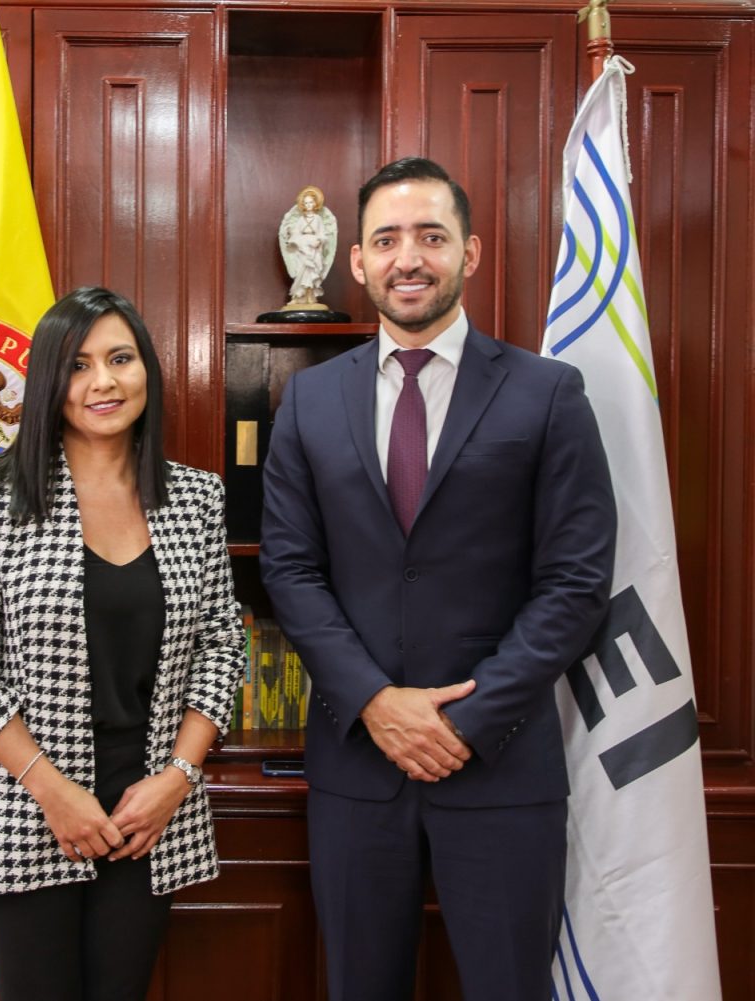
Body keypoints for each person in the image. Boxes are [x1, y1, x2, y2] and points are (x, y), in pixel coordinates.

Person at [259, 157, 617, 1001]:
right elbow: (291, 568)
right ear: (356, 261)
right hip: (356, 770)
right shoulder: (308, 402)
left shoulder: (548, 393)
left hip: (500, 765)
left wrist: (465, 719)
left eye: (431, 236)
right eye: (386, 239)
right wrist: (378, 703)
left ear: (472, 251)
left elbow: (575, 582)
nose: (408, 257)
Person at [0, 286, 246, 1001]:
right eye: (78, 364)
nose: (103, 381)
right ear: (48, 382)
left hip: (148, 812)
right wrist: (52, 789)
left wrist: (178, 779)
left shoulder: (196, 497)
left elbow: (222, 645)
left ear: (147, 372)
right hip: (25, 801)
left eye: (121, 359)